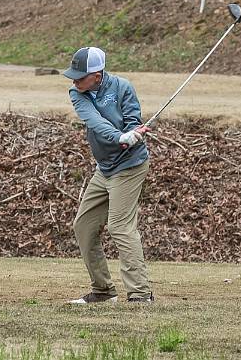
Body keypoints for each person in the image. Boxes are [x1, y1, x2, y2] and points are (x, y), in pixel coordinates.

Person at [63, 46, 154, 304]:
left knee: (120, 226)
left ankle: (140, 294)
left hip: (130, 167)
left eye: (80, 76)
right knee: (84, 226)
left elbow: (132, 121)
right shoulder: (77, 93)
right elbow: (94, 121)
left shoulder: (123, 87)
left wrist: (132, 134)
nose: (74, 81)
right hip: (104, 168)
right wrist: (119, 136)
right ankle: (103, 291)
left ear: (98, 75)